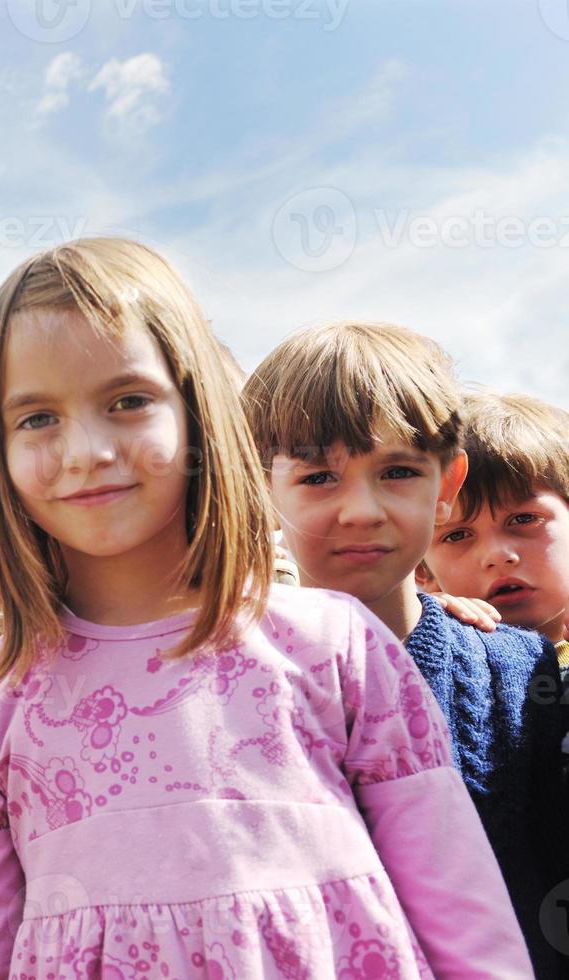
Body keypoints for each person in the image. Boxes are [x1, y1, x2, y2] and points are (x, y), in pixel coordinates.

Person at [0, 238, 529, 978]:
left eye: (127, 401)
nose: (85, 450)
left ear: (196, 412)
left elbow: (462, 914)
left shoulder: (334, 644)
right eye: (36, 418)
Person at [245, 325, 566, 973]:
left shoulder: (514, 671)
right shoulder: (221, 681)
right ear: (261, 489)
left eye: (397, 471)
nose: (361, 510)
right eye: (318, 478)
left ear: (446, 484)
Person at [426, 389, 569, 671]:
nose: (497, 555)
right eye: (457, 535)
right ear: (423, 571)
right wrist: (417, 627)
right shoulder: (423, 655)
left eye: (524, 519)